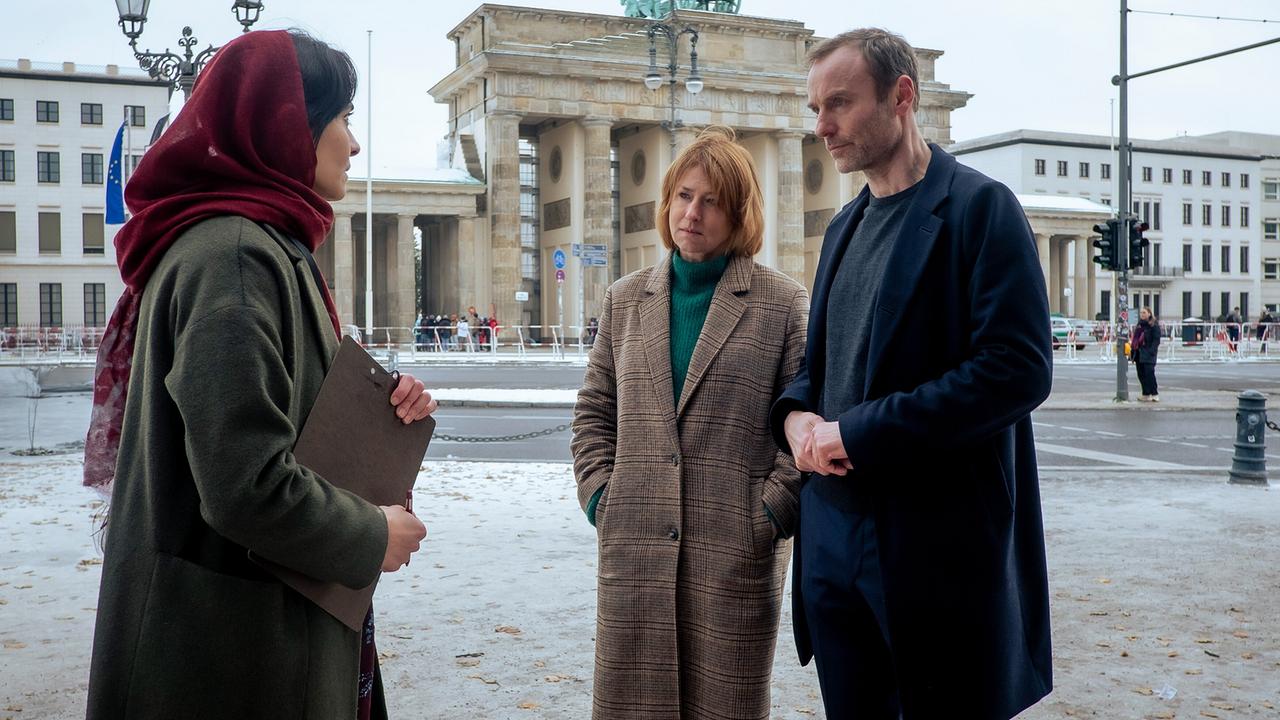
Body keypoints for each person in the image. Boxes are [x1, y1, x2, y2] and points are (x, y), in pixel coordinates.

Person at [82, 30, 434, 720]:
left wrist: (380, 415)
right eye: (342, 119)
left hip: (248, 634)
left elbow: (283, 416)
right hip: (228, 652)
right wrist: (370, 535)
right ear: (287, 126)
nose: (354, 144)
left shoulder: (261, 244)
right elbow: (245, 484)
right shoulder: (236, 256)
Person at [768, 29, 1053, 719]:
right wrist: (796, 415)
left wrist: (857, 433)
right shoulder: (843, 227)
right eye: (814, 108)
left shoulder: (981, 210)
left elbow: (1017, 371)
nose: (822, 126)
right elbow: (819, 368)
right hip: (833, 544)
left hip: (936, 547)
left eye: (839, 103)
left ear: (902, 96)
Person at [572, 128, 809, 719]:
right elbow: (594, 411)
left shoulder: (782, 305)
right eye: (682, 195)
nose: (691, 213)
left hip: (733, 556)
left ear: (740, 213)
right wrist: (602, 496)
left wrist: (771, 513)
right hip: (635, 550)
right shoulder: (626, 300)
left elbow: (804, 424)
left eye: (711, 201)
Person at [1132, 307, 1161, 401]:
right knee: (1141, 374)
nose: (1142, 314)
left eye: (1144, 312)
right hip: (1139, 353)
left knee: (1149, 373)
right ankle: (1146, 393)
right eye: (1141, 312)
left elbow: (1156, 340)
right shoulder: (1140, 325)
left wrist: (1152, 350)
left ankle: (1154, 393)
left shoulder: (1153, 325)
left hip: (1148, 353)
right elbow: (1135, 338)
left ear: (1149, 313)